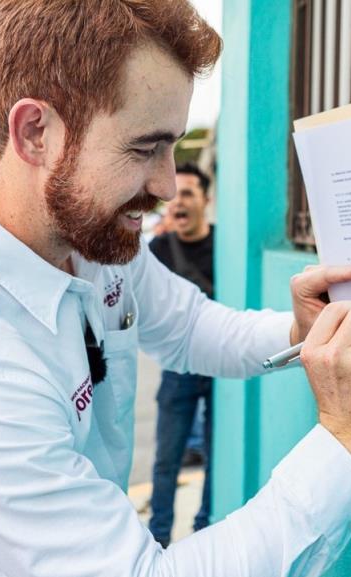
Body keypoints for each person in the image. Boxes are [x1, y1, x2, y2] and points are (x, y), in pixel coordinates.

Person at [0, 2, 351, 576]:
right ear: (35, 132)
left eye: (173, 147)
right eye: (145, 148)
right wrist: (343, 441)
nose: (168, 185)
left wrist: (298, 332)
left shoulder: (86, 235)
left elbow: (189, 326)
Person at [146, 163, 216, 546]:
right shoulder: (157, 250)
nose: (179, 201)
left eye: (188, 193)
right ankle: (158, 539)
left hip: (223, 369)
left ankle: (203, 530)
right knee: (166, 459)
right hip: (178, 369)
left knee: (216, 456)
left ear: (207, 200)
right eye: (174, 195)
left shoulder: (225, 245)